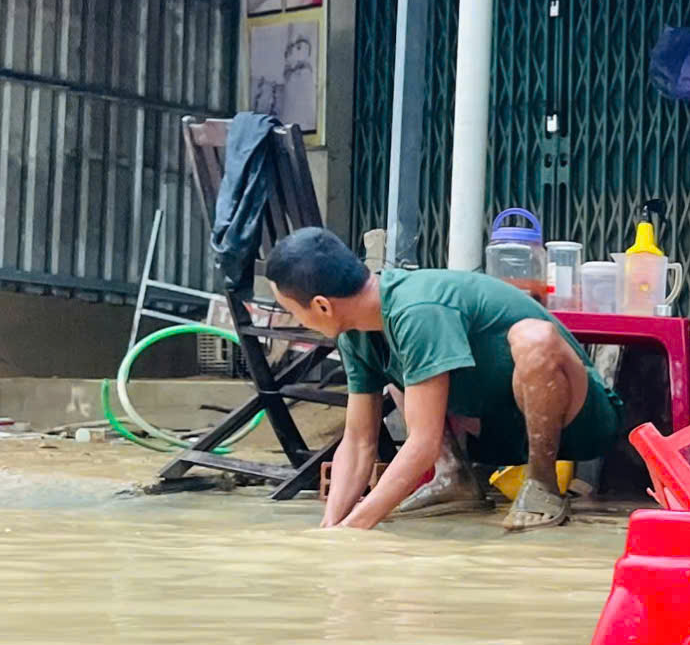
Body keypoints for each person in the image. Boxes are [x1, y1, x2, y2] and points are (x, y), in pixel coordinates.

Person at [265, 226, 623, 533]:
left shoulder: (417, 308)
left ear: (323, 306)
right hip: (499, 434)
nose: (296, 321)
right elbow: (359, 440)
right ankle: (454, 478)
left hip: (578, 423)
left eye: (293, 311)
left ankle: (542, 484)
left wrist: (357, 525)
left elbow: (422, 443)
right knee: (403, 369)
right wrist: (332, 527)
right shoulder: (356, 333)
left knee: (534, 337)